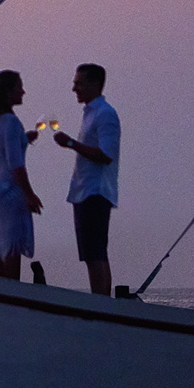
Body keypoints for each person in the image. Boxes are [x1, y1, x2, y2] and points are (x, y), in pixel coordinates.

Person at [51, 63, 121, 295]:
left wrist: (71, 143)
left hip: (95, 191)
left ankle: (101, 303)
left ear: (94, 84)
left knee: (95, 253)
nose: (74, 88)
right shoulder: (92, 114)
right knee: (92, 253)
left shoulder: (105, 115)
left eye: (79, 83)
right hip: (84, 191)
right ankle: (100, 301)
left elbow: (106, 155)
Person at [0, 69, 44, 279]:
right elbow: (16, 165)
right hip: (11, 192)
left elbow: (2, 152)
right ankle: (10, 294)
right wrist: (29, 194)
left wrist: (24, 139)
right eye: (19, 88)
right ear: (9, 92)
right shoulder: (10, 121)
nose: (23, 92)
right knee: (12, 249)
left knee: (4, 248)